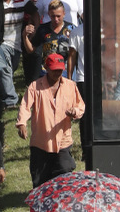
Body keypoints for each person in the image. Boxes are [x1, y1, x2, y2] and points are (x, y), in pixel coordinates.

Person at [17, 53, 85, 187]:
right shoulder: (35, 86)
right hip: (41, 143)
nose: (57, 73)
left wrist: (75, 111)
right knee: (40, 181)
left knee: (65, 173)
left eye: (60, 70)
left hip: (63, 141)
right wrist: (21, 124)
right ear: (46, 68)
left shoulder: (71, 86)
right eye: (54, 70)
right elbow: (25, 106)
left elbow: (80, 106)